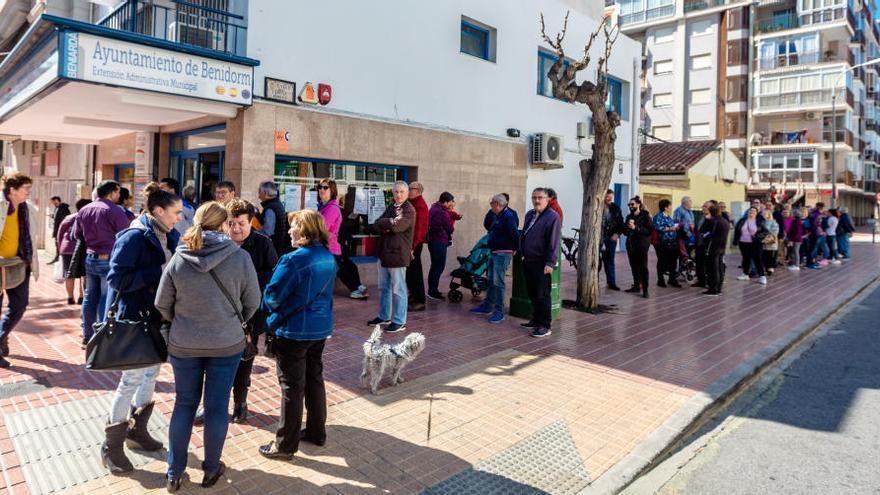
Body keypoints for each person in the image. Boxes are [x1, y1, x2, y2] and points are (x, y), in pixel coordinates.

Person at [155, 202, 261, 492]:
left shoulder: (180, 256)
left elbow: (161, 303)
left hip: (184, 343)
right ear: (224, 225)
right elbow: (253, 302)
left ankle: (174, 472)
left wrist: (184, 320)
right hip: (226, 343)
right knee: (216, 407)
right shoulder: (240, 258)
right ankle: (211, 468)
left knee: (184, 404)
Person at [101, 184, 182, 474]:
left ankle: (138, 431)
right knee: (131, 379)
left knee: (151, 373)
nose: (178, 219)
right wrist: (158, 270)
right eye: (175, 213)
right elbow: (116, 278)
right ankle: (111, 447)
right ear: (158, 211)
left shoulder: (168, 233)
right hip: (136, 319)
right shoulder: (134, 236)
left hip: (157, 318)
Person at [258, 209, 337, 460]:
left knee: (292, 387)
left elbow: (272, 296)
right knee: (314, 379)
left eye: (293, 226)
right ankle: (316, 432)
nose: (289, 230)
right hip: (320, 328)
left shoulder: (293, 259)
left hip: (294, 330)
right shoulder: (328, 256)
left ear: (303, 230)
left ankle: (285, 445)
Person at [226, 199, 278, 423]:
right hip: (221, 313)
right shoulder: (220, 243)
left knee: (245, 359)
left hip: (250, 313)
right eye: (231, 223)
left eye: (241, 224)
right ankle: (212, 404)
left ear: (251, 223)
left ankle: (240, 402)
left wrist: (247, 283)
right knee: (218, 361)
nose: (236, 229)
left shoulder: (263, 244)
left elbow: (272, 275)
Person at [75, 180, 131, 346]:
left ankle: (87, 335)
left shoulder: (84, 210)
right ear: (112, 192)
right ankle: (100, 337)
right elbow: (126, 236)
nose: (119, 195)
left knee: (90, 297)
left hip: (90, 257)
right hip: (108, 259)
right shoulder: (114, 211)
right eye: (118, 192)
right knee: (106, 299)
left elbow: (77, 235)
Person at [0, 173, 38, 369]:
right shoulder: (0, 206)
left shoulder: (27, 209)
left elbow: (31, 237)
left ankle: (1, 336)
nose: (29, 192)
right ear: (12, 190)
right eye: (26, 188)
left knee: (20, 304)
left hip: (19, 264)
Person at [367, 181, 415, 333]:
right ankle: (384, 316)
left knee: (398, 290)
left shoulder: (409, 210)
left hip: (397, 255)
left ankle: (400, 321)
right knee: (384, 288)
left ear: (407, 193)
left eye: (402, 192)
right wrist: (388, 223)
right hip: (384, 253)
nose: (398, 195)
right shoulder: (391, 207)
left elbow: (397, 226)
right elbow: (376, 224)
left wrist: (387, 225)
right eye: (396, 192)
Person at [519, 188, 561, 338]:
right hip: (528, 261)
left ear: (547, 199)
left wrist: (550, 263)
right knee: (532, 293)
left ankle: (545, 325)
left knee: (542, 294)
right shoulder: (530, 214)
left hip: (542, 263)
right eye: (534, 198)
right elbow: (524, 233)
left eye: (540, 198)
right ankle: (536, 320)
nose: (536, 201)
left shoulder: (552, 217)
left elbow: (554, 242)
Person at [317, 178, 368, 299]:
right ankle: (357, 286)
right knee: (342, 268)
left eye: (325, 187)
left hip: (330, 247)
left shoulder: (332, 208)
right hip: (329, 247)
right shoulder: (323, 207)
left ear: (332, 190)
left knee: (341, 269)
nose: (321, 190)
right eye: (320, 187)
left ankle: (356, 287)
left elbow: (322, 229)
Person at [473, 194, 520, 322]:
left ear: (498, 204)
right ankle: (487, 306)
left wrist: (515, 248)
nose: (490, 206)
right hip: (494, 252)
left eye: (491, 203)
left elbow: (515, 234)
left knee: (498, 282)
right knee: (491, 280)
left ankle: (499, 311)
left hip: (502, 253)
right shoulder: (499, 215)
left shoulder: (508, 216)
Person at [58, 199, 90, 305]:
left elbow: (60, 233)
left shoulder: (69, 218)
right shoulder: (88, 217)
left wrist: (60, 248)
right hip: (82, 249)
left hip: (67, 249)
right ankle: (81, 297)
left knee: (69, 274)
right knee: (83, 274)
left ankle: (70, 297)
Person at [426, 192, 456, 302]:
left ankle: (432, 290)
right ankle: (432, 291)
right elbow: (450, 228)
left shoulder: (434, 208)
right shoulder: (442, 212)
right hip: (439, 242)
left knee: (434, 267)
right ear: (446, 202)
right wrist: (452, 215)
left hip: (433, 241)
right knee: (438, 267)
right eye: (451, 202)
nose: (452, 204)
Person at [406, 182, 429, 310]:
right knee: (410, 272)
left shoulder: (420, 206)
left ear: (418, 191)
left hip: (415, 244)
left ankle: (420, 300)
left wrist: (412, 247)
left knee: (415, 272)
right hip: (411, 243)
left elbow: (419, 230)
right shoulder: (413, 203)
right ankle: (413, 295)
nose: (408, 190)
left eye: (411, 189)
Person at [623, 196, 652, 298]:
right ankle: (636, 286)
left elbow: (649, 231)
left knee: (643, 268)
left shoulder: (645, 216)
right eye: (629, 205)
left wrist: (636, 228)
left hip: (642, 246)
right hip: (631, 246)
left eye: (632, 204)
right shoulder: (628, 217)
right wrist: (627, 227)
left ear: (638, 204)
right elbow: (625, 232)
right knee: (634, 267)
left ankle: (645, 290)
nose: (630, 206)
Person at [733, 206, 767, 285]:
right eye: (750, 211)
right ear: (747, 212)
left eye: (754, 211)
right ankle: (745, 274)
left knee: (757, 259)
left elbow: (765, 232)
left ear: (757, 213)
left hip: (756, 243)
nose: (751, 212)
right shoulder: (742, 220)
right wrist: (735, 241)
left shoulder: (760, 221)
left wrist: (757, 236)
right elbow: (737, 231)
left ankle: (762, 276)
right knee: (746, 258)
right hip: (743, 242)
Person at [702, 201, 730, 296]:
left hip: (713, 247)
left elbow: (705, 232)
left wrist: (707, 220)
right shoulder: (724, 220)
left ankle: (713, 289)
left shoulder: (714, 221)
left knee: (713, 269)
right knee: (719, 268)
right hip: (721, 247)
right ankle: (718, 288)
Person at [653, 199, 681, 288]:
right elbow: (658, 227)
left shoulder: (669, 217)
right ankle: (660, 280)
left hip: (672, 242)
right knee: (662, 261)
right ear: (665, 207)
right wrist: (670, 229)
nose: (671, 207)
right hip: (663, 242)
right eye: (670, 206)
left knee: (673, 262)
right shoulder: (658, 216)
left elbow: (672, 226)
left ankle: (672, 279)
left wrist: (675, 228)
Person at [257, 181, 291, 256]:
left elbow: (267, 232)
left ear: (265, 193)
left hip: (274, 249)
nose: (258, 196)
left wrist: (253, 234)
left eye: (259, 192)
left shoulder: (270, 208)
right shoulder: (277, 204)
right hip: (279, 247)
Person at [601, 189, 624, 291]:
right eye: (607, 197)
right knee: (595, 261)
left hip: (611, 237)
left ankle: (611, 282)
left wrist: (617, 234)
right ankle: (593, 282)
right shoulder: (597, 206)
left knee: (609, 260)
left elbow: (621, 223)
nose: (609, 199)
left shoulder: (616, 208)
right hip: (598, 238)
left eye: (611, 197)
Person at [692, 202, 712, 288]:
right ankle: (701, 281)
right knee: (699, 263)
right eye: (703, 206)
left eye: (706, 206)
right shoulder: (701, 217)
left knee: (706, 265)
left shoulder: (712, 219)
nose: (704, 208)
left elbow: (711, 232)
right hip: (698, 243)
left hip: (706, 245)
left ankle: (707, 282)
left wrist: (704, 236)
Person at [48, 196, 70, 264]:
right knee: (57, 245)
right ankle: (57, 258)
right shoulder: (57, 208)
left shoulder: (63, 208)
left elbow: (64, 220)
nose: (53, 204)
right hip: (57, 230)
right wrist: (53, 216)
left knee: (60, 245)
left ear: (57, 200)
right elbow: (58, 217)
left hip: (61, 231)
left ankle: (60, 259)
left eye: (53, 202)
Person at [673, 196, 695, 266]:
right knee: (682, 254)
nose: (691, 203)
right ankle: (680, 268)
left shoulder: (690, 211)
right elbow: (676, 222)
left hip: (690, 234)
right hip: (682, 234)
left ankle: (686, 265)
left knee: (689, 252)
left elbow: (692, 222)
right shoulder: (679, 210)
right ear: (685, 203)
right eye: (690, 201)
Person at [805, 202, 826, 269]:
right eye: (822, 207)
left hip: (816, 233)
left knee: (814, 249)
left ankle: (812, 262)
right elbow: (814, 225)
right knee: (812, 249)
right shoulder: (816, 214)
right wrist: (814, 231)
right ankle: (810, 264)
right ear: (820, 207)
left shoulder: (815, 214)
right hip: (815, 233)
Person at [761, 209, 779, 275]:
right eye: (763, 213)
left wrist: (766, 236)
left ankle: (770, 268)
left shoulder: (773, 222)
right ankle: (765, 268)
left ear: (769, 215)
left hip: (770, 242)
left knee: (770, 256)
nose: (763, 215)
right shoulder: (761, 222)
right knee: (764, 256)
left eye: (765, 214)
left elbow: (775, 231)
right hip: (762, 242)